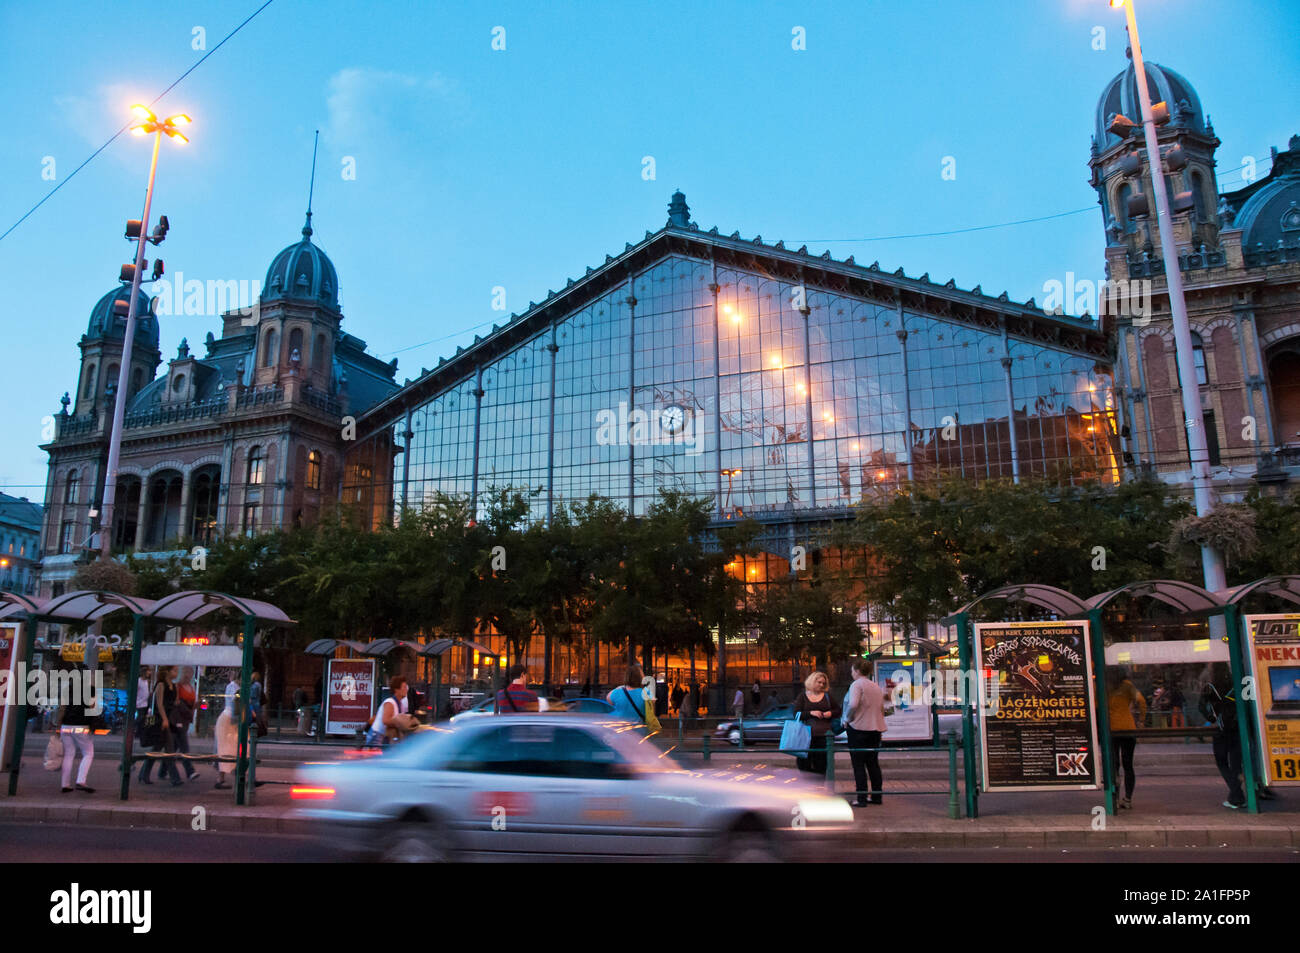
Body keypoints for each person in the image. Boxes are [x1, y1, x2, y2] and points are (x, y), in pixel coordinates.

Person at [842, 658, 887, 805]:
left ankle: (861, 798)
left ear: (857, 671)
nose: (851, 673)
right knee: (873, 763)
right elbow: (882, 708)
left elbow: (853, 704)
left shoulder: (857, 684)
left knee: (858, 764)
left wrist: (847, 718)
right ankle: (876, 796)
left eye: (852, 671)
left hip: (858, 728)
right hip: (876, 729)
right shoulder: (875, 686)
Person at [1106, 668, 1146, 810]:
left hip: (1111, 730)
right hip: (1128, 729)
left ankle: (1114, 798)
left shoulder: (1104, 686)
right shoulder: (1128, 686)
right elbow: (1141, 701)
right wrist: (1141, 720)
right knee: (1128, 765)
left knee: (1114, 765)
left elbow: (1097, 705)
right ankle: (1127, 799)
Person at [139, 666, 183, 787]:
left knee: (157, 749)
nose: (176, 673)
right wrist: (164, 719)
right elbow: (159, 704)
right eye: (174, 670)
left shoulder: (174, 686)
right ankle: (175, 778)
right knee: (169, 750)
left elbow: (174, 702)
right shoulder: (160, 685)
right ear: (167, 672)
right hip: (160, 720)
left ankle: (144, 774)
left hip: (168, 719)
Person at [793, 671, 841, 776]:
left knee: (821, 764)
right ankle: (807, 786)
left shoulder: (827, 696)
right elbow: (796, 714)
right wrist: (811, 713)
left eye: (823, 683)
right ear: (812, 681)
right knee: (804, 763)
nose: (821, 685)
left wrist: (830, 713)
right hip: (806, 736)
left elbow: (838, 710)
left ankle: (819, 787)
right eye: (819, 682)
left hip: (824, 736)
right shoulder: (803, 696)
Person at [57, 664, 95, 794]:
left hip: (66, 726)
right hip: (81, 726)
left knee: (69, 754)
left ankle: (65, 784)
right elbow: (91, 708)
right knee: (88, 752)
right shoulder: (90, 690)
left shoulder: (68, 689)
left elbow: (62, 708)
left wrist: (58, 725)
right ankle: (80, 781)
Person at [171, 667, 199, 781]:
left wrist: (195, 706)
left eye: (190, 673)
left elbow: (191, 705)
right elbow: (176, 704)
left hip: (186, 719)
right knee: (184, 746)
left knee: (173, 747)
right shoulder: (178, 686)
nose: (188, 675)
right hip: (179, 720)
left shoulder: (191, 688)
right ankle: (190, 771)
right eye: (186, 672)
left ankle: (162, 770)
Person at [365, 675, 410, 747]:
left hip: (384, 736)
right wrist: (400, 722)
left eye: (406, 687)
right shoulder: (390, 703)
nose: (406, 690)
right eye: (404, 687)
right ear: (397, 689)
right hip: (377, 737)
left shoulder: (400, 704)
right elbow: (385, 720)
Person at [214, 692, 239, 789]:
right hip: (230, 722)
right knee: (226, 749)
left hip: (232, 721)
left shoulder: (236, 689)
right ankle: (222, 778)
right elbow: (235, 708)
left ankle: (223, 778)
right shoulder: (236, 689)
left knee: (230, 750)